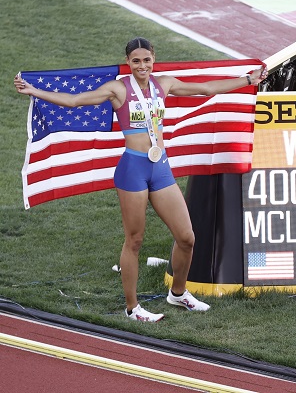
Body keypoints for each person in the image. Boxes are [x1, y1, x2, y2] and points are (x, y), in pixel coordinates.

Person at [14, 37, 268, 322]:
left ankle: (178, 293)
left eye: (146, 60)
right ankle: (133, 308)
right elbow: (74, 101)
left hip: (160, 167)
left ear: (153, 59)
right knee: (134, 241)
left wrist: (248, 78)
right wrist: (34, 90)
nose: (142, 65)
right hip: (132, 170)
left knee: (186, 237)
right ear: (128, 62)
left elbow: (207, 88)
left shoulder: (165, 84)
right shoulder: (118, 89)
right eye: (136, 61)